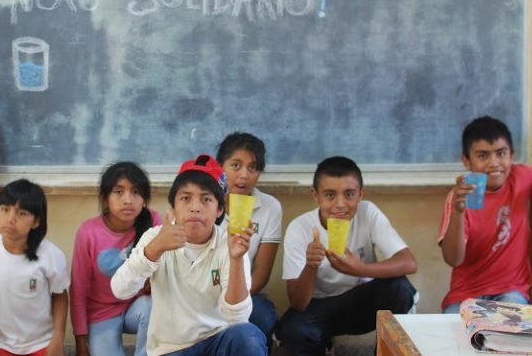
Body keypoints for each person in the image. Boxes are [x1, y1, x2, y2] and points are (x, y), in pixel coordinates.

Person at [111, 154, 267, 356]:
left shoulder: (229, 242)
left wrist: (236, 259)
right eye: (185, 198)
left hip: (216, 342)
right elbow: (120, 290)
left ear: (219, 209)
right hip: (170, 349)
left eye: (206, 199)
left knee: (247, 336)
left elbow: (237, 318)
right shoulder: (156, 237)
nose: (195, 207)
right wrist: (154, 250)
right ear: (173, 207)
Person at [277, 156, 418, 356]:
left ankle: (384, 351)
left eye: (349, 194)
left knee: (400, 288)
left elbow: (409, 262)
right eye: (330, 195)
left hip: (361, 303)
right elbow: (298, 302)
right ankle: (323, 345)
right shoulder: (300, 227)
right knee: (292, 330)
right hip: (321, 307)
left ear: (361, 194)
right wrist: (310, 266)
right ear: (315, 195)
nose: (340, 204)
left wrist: (359, 269)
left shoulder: (367, 212)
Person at [438, 115, 532, 313]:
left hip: (511, 290)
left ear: (511, 155)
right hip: (466, 294)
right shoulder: (459, 197)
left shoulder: (521, 177)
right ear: (466, 161)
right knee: (450, 333)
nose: (494, 163)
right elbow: (453, 260)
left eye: (501, 154)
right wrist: (458, 212)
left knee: (508, 331)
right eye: (482, 156)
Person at [0, 179, 69, 356]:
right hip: (0, 344)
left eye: (21, 213)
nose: (10, 219)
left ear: (36, 222)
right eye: (5, 209)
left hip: (42, 343)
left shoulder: (51, 254)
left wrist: (57, 340)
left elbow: (60, 296)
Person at [70, 162, 162, 356]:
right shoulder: (88, 232)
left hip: (138, 306)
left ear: (144, 198)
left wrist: (152, 284)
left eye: (135, 192)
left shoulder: (153, 221)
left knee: (152, 305)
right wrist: (80, 341)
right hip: (102, 313)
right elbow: (78, 288)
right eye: (119, 192)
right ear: (105, 199)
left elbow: (165, 271)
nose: (128, 200)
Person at [216, 132, 281, 344]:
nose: (244, 175)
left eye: (252, 167)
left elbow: (260, 276)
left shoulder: (269, 207)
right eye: (235, 165)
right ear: (220, 167)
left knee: (264, 316)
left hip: (247, 292)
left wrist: (233, 302)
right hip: (203, 292)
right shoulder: (204, 201)